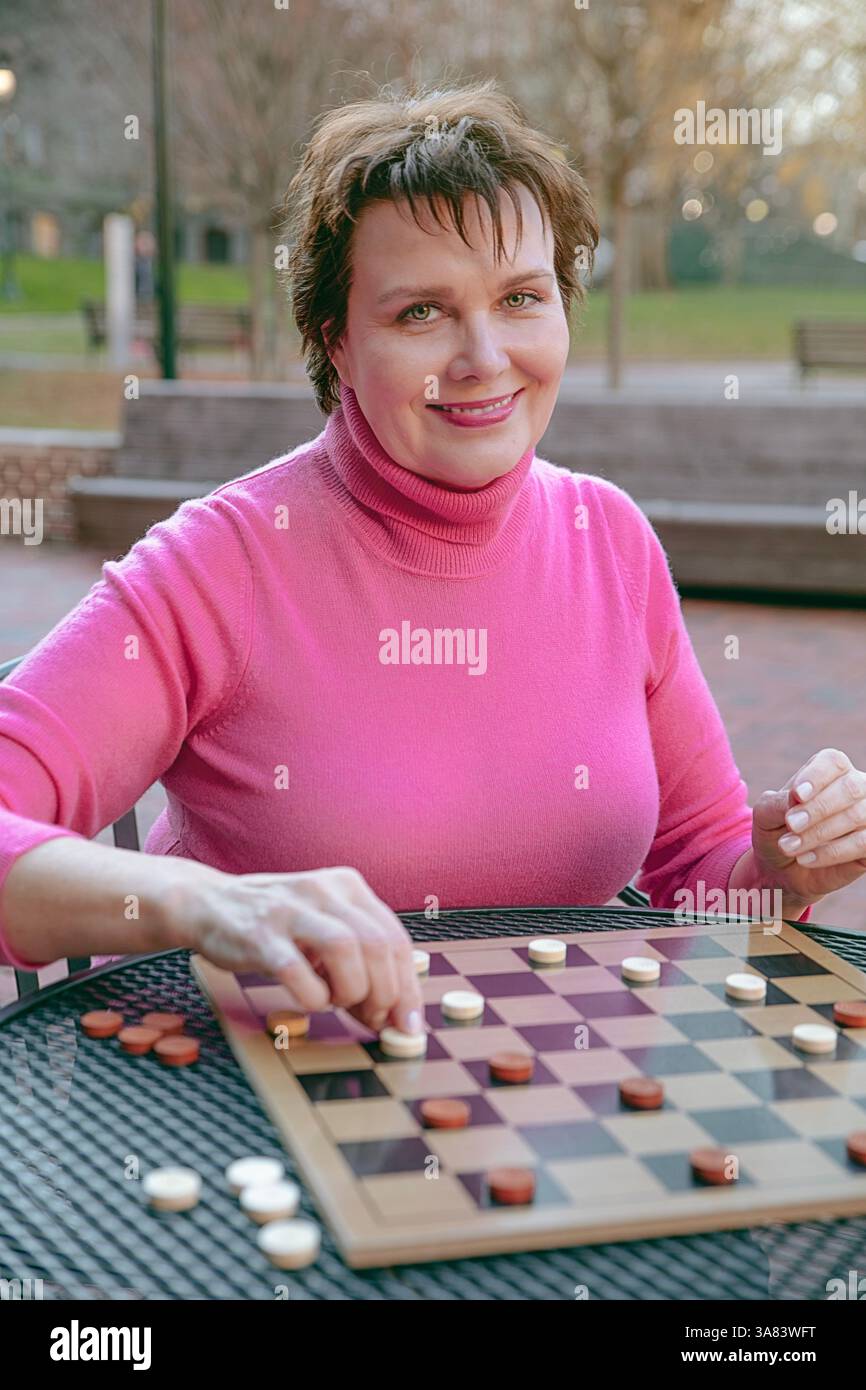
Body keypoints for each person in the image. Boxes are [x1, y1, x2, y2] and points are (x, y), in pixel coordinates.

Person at [1, 80, 865, 1038]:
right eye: (421, 312)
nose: (484, 356)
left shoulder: (609, 539)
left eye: (521, 298)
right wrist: (201, 904)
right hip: (257, 1122)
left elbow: (700, 875)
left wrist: (778, 874)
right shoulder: (225, 561)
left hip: (564, 1120)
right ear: (336, 339)